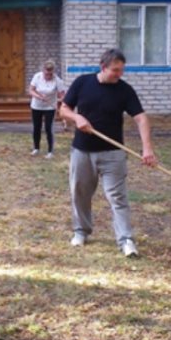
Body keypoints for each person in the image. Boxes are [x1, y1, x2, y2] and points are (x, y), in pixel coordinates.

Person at [59, 48, 158, 258]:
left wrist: (147, 148)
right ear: (103, 67)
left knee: (118, 197)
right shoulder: (82, 83)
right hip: (82, 152)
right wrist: (76, 119)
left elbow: (141, 118)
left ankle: (126, 240)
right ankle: (81, 231)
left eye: (122, 70)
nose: (119, 74)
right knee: (80, 194)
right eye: (115, 70)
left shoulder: (125, 90)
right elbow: (63, 109)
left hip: (113, 154)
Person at [29, 60, 66, 159]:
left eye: (50, 74)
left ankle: (50, 151)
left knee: (48, 128)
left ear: (53, 72)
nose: (48, 76)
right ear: (43, 70)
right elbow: (31, 90)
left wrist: (62, 102)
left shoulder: (58, 81)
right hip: (36, 106)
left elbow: (62, 95)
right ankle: (36, 148)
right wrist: (39, 97)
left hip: (50, 107)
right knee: (37, 127)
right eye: (46, 74)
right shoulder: (37, 77)